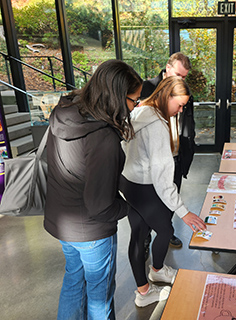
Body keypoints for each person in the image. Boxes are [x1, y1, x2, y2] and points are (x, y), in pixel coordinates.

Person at [44, 59, 143, 320]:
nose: (134, 107)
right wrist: (128, 206)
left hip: (62, 223)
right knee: (100, 297)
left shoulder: (65, 112)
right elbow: (101, 205)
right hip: (92, 231)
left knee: (73, 282)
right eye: (134, 100)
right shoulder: (104, 138)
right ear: (118, 97)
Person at [120, 76, 207, 307]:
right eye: (179, 105)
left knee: (138, 234)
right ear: (167, 96)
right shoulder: (158, 124)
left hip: (128, 181)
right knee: (166, 229)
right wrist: (184, 211)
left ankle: (144, 289)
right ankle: (155, 273)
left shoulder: (141, 109)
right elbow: (162, 178)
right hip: (144, 184)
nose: (179, 111)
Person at [140, 52, 195, 248]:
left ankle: (166, 230)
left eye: (184, 77)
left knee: (172, 194)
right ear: (167, 68)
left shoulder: (184, 91)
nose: (180, 79)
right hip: (152, 160)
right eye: (178, 75)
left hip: (177, 156)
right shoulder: (146, 88)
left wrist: (189, 144)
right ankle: (145, 237)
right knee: (152, 201)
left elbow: (188, 122)